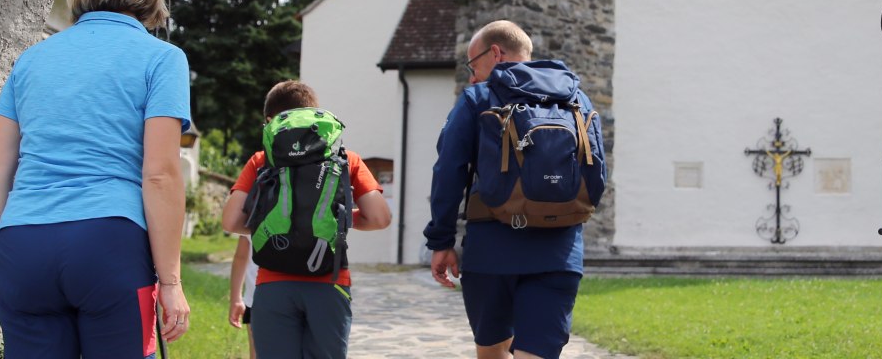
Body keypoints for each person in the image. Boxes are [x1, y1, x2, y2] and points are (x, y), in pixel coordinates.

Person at [0, 0, 191, 356]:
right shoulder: (162, 58)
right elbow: (159, 174)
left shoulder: (30, 60)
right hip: (110, 243)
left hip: (24, 245)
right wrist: (171, 284)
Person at [425, 20, 608, 359]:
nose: (471, 75)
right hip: (559, 252)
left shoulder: (477, 98)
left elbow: (448, 170)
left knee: (492, 352)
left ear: (495, 53)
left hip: (491, 251)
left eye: (472, 63)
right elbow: (597, 170)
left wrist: (441, 241)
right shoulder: (577, 100)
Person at [220, 80, 393, 358]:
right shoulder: (347, 159)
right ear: (314, 116)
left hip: (272, 283)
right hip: (329, 281)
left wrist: (269, 225)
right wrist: (341, 219)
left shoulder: (261, 161)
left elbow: (230, 222)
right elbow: (380, 217)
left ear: (270, 121)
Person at [227, 235, 259, 358]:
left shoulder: (254, 215)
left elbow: (241, 257)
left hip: (256, 298)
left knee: (258, 352)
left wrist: (235, 298)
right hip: (306, 296)